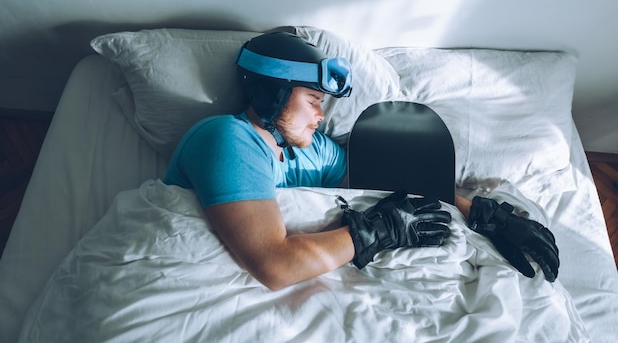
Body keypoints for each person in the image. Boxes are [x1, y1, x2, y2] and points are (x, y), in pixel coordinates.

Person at [164, 32, 559, 290]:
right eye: (313, 101)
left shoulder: (314, 149)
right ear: (273, 93)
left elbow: (387, 183)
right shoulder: (229, 139)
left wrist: (484, 214)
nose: (321, 116)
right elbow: (274, 266)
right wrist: (378, 230)